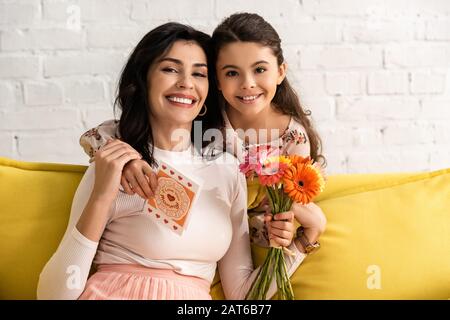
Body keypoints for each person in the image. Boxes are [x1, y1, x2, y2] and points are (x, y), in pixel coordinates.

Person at [37, 22, 303, 300]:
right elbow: (53, 296)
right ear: (143, 82)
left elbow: (244, 296)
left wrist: (304, 241)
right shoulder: (114, 163)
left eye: (199, 73)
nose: (186, 83)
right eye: (170, 69)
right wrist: (101, 197)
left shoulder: (228, 171)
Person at [80, 13, 327, 253]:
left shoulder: (294, 138)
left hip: (236, 240)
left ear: (280, 72)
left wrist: (278, 228)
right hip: (184, 226)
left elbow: (284, 207)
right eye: (232, 73)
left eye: (260, 69)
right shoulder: (204, 114)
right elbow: (95, 136)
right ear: (217, 79)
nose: (247, 83)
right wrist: (128, 160)